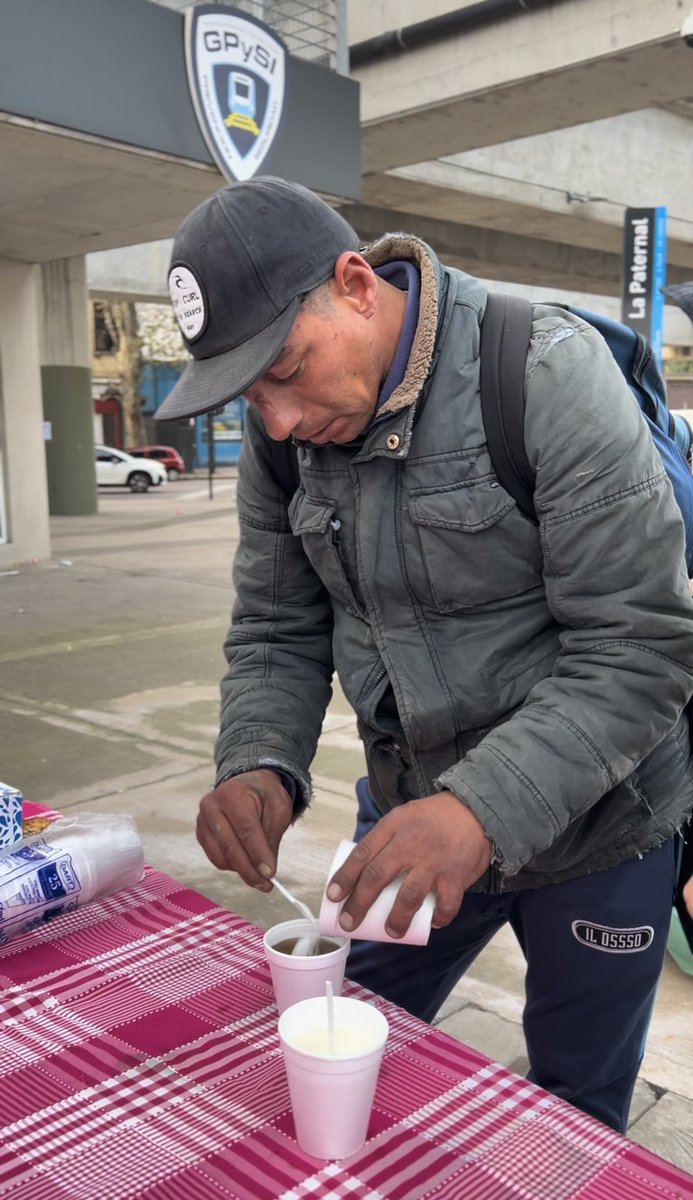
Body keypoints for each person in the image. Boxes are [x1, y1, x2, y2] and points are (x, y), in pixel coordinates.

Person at [157, 176, 693, 1134]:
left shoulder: (543, 373)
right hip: (410, 816)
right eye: (249, 394)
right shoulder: (285, 440)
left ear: (357, 285)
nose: (275, 420)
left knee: (572, 1118)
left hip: (604, 830)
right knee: (343, 1040)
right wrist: (257, 760)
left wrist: (479, 809)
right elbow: (276, 626)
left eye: (286, 368)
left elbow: (637, 647)